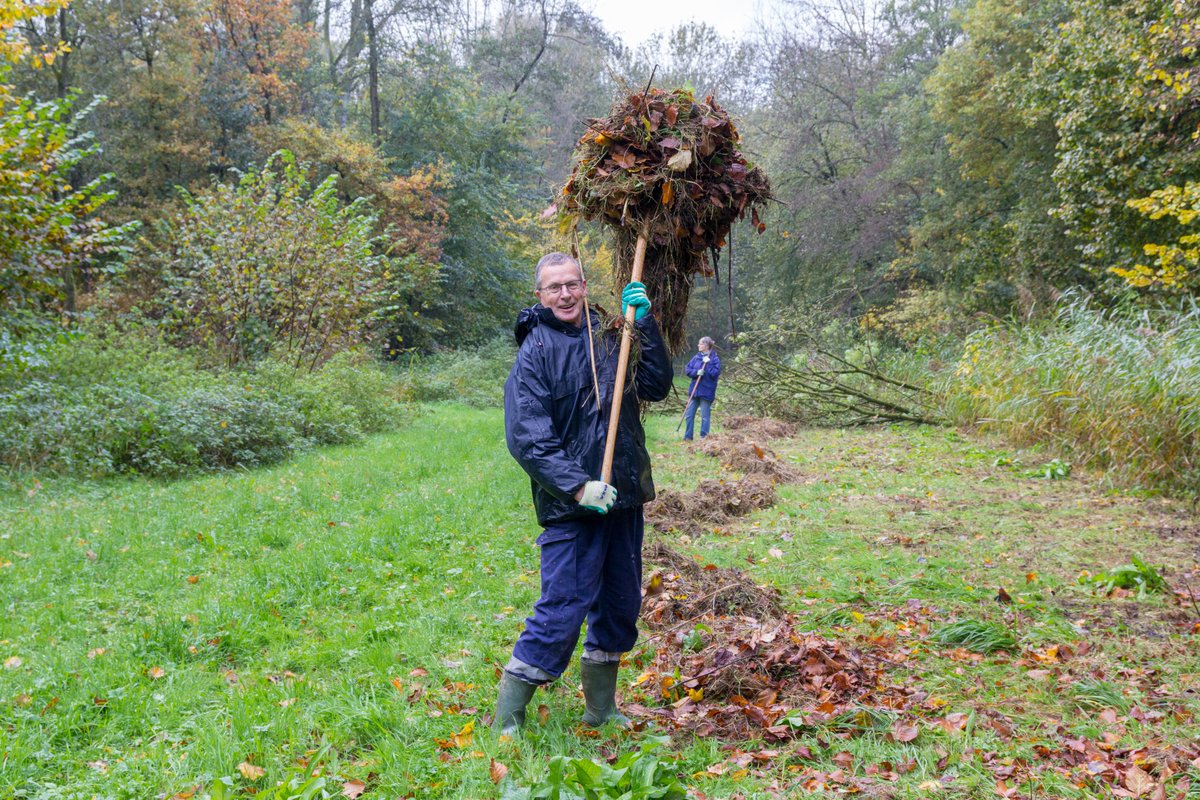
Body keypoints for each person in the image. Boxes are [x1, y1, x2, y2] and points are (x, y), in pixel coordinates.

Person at [495, 252, 673, 735]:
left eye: (573, 284)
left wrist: (647, 324)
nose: (566, 294)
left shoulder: (613, 336)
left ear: (584, 285)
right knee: (561, 609)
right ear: (540, 295)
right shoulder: (535, 351)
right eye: (554, 288)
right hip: (571, 507)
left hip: (622, 497)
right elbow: (527, 435)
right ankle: (507, 720)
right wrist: (577, 486)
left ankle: (601, 709)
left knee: (619, 605)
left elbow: (656, 386)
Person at [682, 336, 721, 440]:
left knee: (705, 416)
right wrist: (696, 372)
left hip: (706, 391)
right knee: (689, 415)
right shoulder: (697, 357)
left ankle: (704, 438)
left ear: (706, 345)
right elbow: (687, 369)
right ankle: (688, 437)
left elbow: (715, 374)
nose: (698, 345)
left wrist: (707, 364)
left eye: (700, 344)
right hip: (694, 390)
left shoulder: (714, 358)